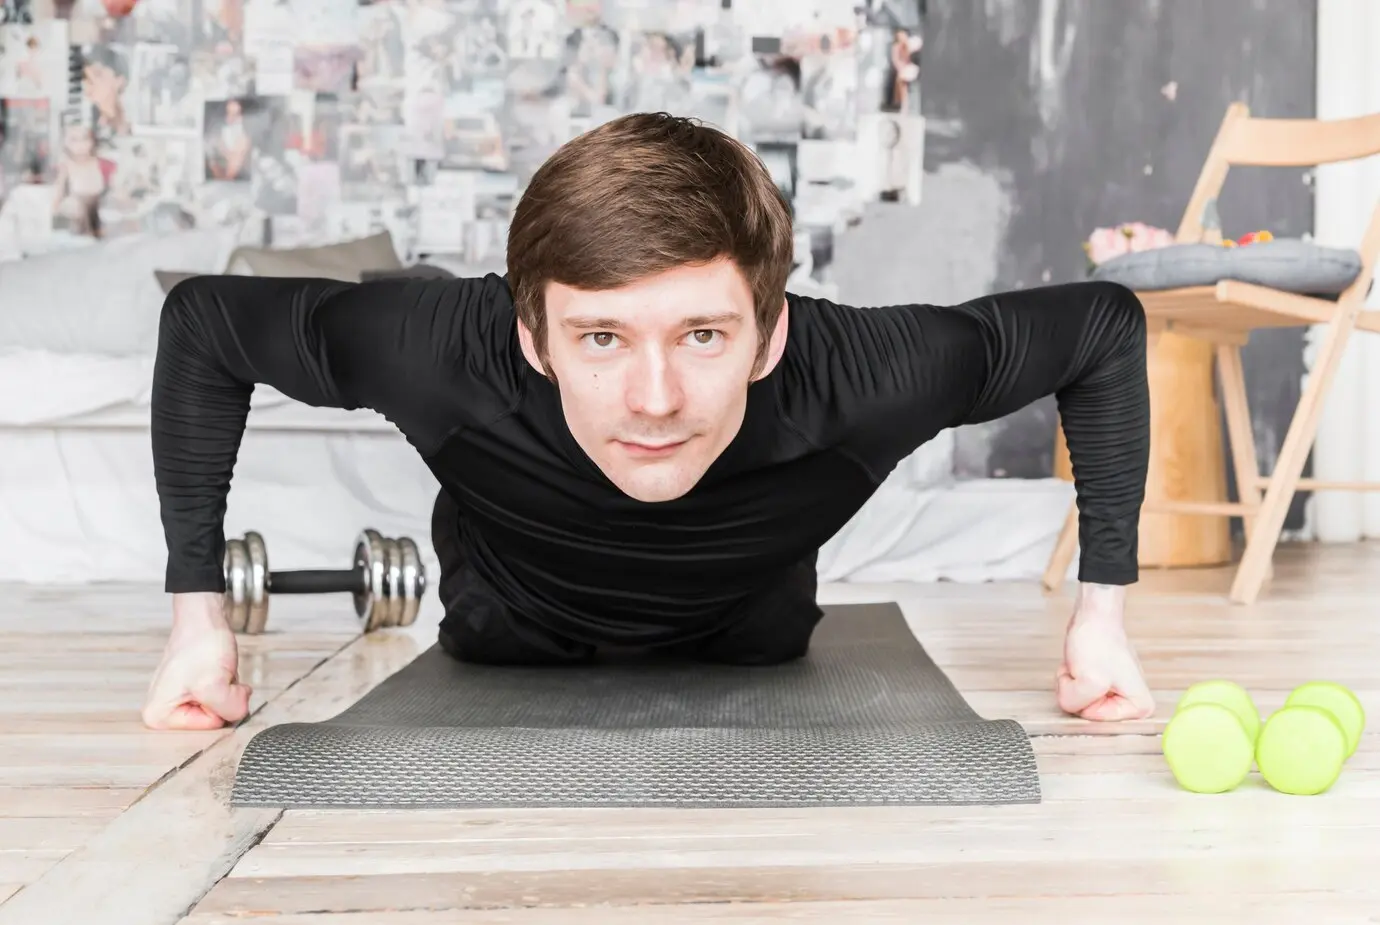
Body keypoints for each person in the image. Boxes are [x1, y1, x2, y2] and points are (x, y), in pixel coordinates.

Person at [140, 112, 1155, 732]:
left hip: (752, 629)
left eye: (704, 336)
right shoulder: (442, 345)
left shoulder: (868, 373)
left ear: (769, 336)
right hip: (512, 625)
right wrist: (197, 618)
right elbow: (204, 325)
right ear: (533, 336)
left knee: (764, 637)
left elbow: (1102, 328)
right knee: (497, 631)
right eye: (601, 339)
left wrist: (1101, 618)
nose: (655, 398)